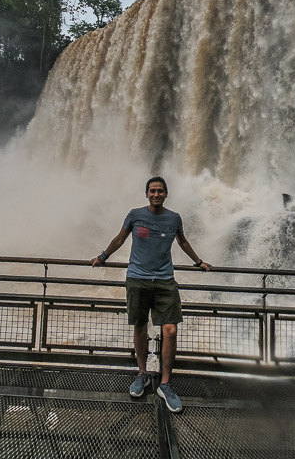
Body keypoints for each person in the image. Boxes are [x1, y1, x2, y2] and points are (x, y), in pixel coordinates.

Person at [91, 176, 212, 412]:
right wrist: (103, 256)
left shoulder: (174, 218)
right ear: (146, 194)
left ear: (166, 194)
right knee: (139, 326)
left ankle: (165, 384)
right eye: (152, 191)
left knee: (171, 329)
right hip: (137, 278)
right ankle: (143, 373)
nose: (156, 194)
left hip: (165, 281)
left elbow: (183, 242)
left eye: (160, 191)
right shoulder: (135, 214)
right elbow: (119, 238)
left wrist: (199, 262)